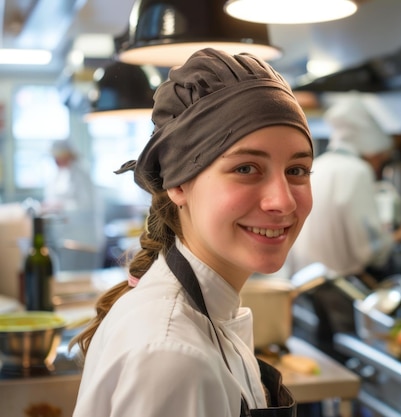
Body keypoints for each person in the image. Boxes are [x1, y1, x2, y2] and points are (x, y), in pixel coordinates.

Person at [71, 48, 314, 417]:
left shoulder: (199, 321)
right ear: (178, 182)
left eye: (297, 170)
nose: (282, 201)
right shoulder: (173, 356)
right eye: (247, 168)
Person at [288, 93, 401, 283]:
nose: (379, 165)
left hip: (306, 282)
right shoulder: (358, 171)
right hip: (340, 286)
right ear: (372, 152)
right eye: (380, 159)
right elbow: (369, 249)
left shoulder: (319, 164)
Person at [42, 139, 105, 271]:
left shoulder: (81, 174)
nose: (56, 161)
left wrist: (59, 206)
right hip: (67, 240)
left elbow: (86, 205)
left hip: (84, 241)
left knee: (83, 282)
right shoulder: (60, 175)